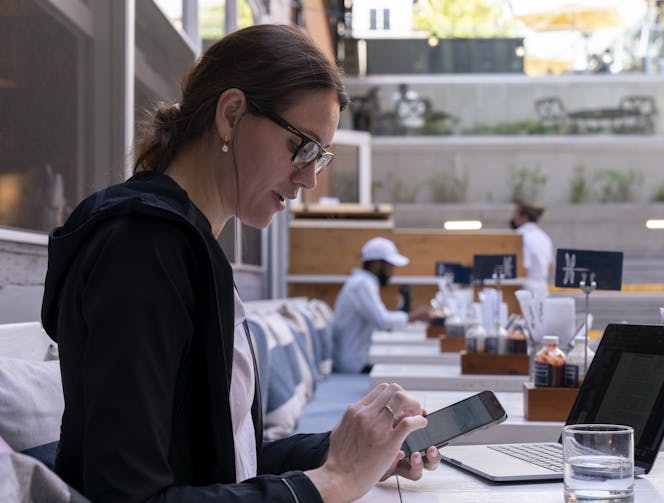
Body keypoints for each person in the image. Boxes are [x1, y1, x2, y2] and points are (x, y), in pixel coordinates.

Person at [40, 24, 439, 503]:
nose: (310, 178)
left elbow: (224, 461)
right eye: (302, 146)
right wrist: (330, 483)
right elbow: (129, 496)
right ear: (231, 115)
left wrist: (352, 454)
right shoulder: (143, 248)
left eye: (321, 156)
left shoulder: (188, 246)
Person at [332, 237, 432, 373]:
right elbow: (382, 320)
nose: (392, 273)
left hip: (355, 359)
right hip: (353, 365)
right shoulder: (362, 284)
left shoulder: (364, 282)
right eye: (391, 266)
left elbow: (380, 318)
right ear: (377, 264)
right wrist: (414, 316)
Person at [510, 200, 554, 299]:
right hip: (543, 288)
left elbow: (524, 267)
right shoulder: (544, 237)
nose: (513, 218)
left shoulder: (520, 236)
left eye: (515, 215)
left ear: (524, 217)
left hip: (526, 289)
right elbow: (550, 266)